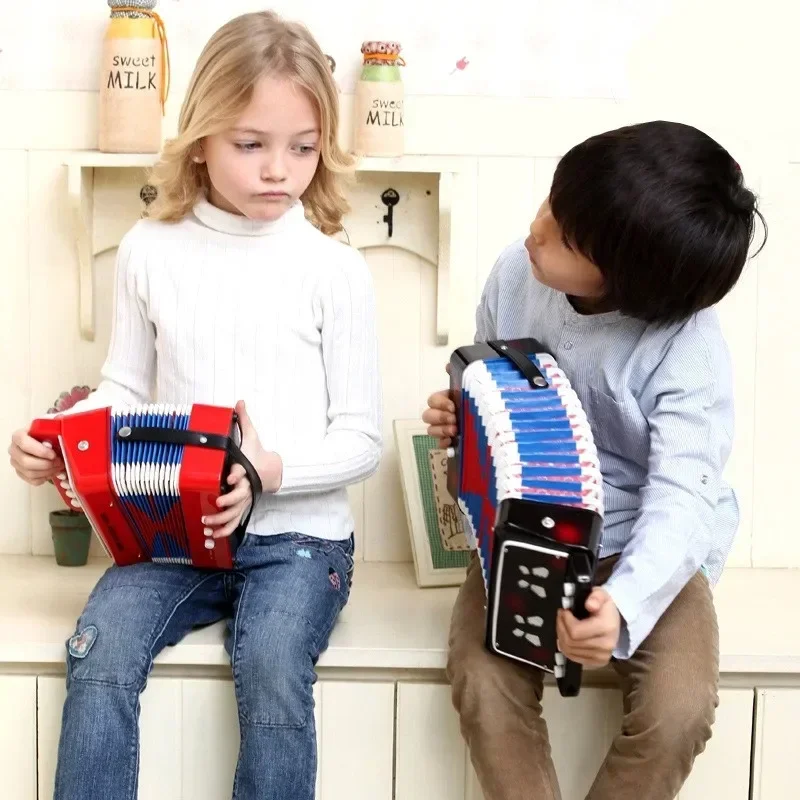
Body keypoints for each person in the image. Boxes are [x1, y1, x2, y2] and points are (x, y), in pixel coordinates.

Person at [8, 11, 382, 800]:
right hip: (172, 534)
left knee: (274, 667)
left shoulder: (334, 269)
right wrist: (59, 439)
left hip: (299, 541)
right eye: (251, 144)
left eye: (303, 147)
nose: (280, 169)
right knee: (97, 650)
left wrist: (267, 471)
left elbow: (362, 438)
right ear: (201, 138)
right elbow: (124, 390)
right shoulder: (150, 249)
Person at [423, 120, 765, 800]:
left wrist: (625, 605)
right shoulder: (515, 272)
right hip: (523, 530)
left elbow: (683, 496)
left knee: (679, 707)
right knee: (485, 682)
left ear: (631, 284)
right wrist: (463, 421)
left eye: (567, 235)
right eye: (554, 200)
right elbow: (495, 386)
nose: (537, 226)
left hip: (645, 541)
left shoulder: (685, 345)